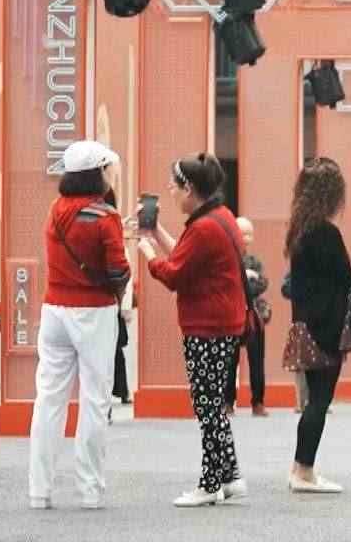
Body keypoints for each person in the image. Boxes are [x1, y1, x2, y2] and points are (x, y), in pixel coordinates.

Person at [137, 153, 247, 507]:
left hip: (207, 326)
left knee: (207, 406)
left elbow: (174, 274)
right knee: (214, 403)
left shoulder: (203, 228)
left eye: (174, 186)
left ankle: (210, 484)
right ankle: (230, 475)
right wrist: (157, 233)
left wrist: (147, 253)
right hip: (224, 322)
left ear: (189, 189)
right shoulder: (219, 217)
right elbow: (186, 257)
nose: (170, 192)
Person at [28, 140, 128, 511]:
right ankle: (89, 490)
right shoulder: (105, 216)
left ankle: (39, 490)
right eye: (109, 169)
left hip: (54, 310)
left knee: (49, 400)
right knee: (94, 400)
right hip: (94, 313)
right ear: (98, 172)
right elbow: (118, 270)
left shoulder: (55, 210)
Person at [282, 157, 351, 494]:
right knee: (320, 401)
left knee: (313, 400)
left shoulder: (299, 230)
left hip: (305, 325)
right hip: (325, 328)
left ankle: (300, 467)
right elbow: (348, 278)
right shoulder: (326, 233)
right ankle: (304, 471)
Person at [231, 217, 270, 418]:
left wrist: (245, 281)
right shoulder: (227, 259)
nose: (246, 238)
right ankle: (227, 402)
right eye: (242, 233)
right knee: (230, 361)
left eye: (249, 234)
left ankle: (258, 402)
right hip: (231, 316)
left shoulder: (255, 261)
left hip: (254, 317)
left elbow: (262, 284)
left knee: (257, 361)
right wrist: (246, 277)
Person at [101, 189, 132, 407]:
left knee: (112, 352)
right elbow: (123, 274)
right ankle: (119, 393)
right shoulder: (110, 224)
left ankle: (118, 392)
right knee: (113, 352)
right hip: (111, 303)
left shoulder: (109, 224)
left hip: (107, 304)